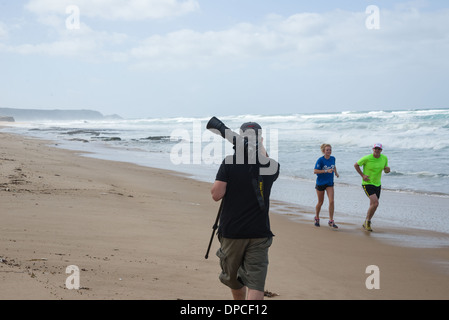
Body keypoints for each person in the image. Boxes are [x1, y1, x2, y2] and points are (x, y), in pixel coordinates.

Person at [210, 122, 280, 300]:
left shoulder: (229, 163)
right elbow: (265, 160)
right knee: (256, 284)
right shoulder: (271, 166)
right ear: (261, 139)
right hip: (259, 233)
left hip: (233, 232)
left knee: (234, 280)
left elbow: (216, 195)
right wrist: (260, 145)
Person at [354, 143, 390, 232]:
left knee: (373, 205)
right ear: (373, 149)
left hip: (377, 184)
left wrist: (387, 170)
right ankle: (368, 221)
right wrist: (362, 175)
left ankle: (365, 222)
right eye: (375, 149)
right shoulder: (367, 158)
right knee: (376, 203)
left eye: (379, 149)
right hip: (367, 183)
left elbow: (385, 170)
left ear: (381, 150)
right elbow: (356, 165)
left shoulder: (384, 158)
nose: (377, 150)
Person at [314, 143, 339, 228]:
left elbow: (333, 166)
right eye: (327, 150)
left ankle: (331, 220)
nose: (329, 151)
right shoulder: (320, 160)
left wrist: (336, 172)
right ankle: (317, 218)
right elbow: (315, 171)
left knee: (331, 201)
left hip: (329, 183)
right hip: (320, 183)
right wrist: (325, 171)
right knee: (320, 202)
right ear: (323, 151)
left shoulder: (333, 158)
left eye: (330, 149)